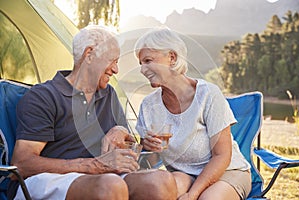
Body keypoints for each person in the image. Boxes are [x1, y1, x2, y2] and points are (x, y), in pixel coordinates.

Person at [9, 25, 177, 200]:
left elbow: (127, 145)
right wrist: (94, 166)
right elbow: (22, 164)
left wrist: (121, 130)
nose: (116, 69)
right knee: (110, 186)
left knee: (160, 181)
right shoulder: (44, 96)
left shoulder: (108, 94)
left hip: (100, 176)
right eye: (112, 60)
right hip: (47, 179)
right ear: (89, 54)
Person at [134, 27, 252, 200]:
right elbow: (150, 163)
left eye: (148, 61)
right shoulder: (148, 105)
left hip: (226, 172)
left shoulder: (208, 95)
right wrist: (147, 147)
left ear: (172, 58)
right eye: (141, 64)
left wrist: (192, 194)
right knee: (156, 191)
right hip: (184, 174)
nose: (143, 70)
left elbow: (222, 155)